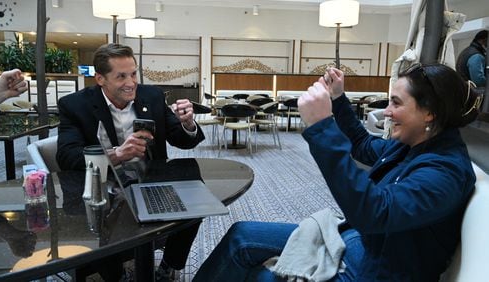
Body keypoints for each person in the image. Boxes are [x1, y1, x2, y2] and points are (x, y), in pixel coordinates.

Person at [193, 63, 480, 281]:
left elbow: (374, 213)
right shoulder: (412, 144)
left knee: (259, 277)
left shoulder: (445, 171)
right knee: (241, 235)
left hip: (374, 270)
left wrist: (321, 127)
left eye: (396, 102)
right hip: (360, 242)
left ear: (429, 113)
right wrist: (339, 98)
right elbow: (363, 144)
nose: (387, 112)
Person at [56, 43, 205, 281]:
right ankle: (116, 275)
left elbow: (182, 140)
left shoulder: (152, 96)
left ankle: (168, 265)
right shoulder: (74, 105)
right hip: (105, 184)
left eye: (133, 73)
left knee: (196, 207)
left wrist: (187, 124)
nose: (131, 82)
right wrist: (116, 154)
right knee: (102, 220)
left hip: (149, 179)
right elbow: (67, 157)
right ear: (100, 79)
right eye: (121, 76)